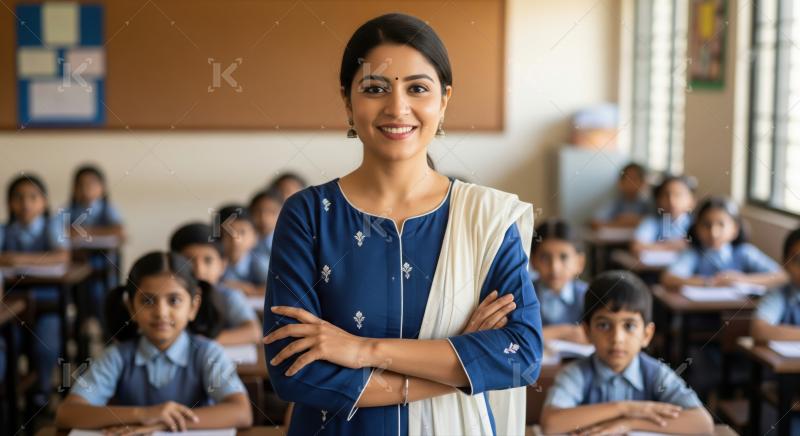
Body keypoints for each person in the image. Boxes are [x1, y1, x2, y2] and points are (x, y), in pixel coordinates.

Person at [262, 13, 542, 436]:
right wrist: (459, 365)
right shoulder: (307, 214)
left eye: (418, 88)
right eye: (375, 89)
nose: (397, 108)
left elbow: (520, 355)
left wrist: (361, 350)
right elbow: (295, 373)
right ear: (347, 100)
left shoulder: (486, 217)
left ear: (444, 100)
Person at [55, 252, 252, 432]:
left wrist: (160, 423)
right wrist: (144, 414)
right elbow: (68, 413)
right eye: (148, 301)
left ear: (193, 306)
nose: (161, 313)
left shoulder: (208, 353)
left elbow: (241, 412)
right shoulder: (117, 356)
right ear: (131, 307)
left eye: (174, 300)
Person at [540, 270, 714, 434]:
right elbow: (551, 424)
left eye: (629, 326)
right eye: (604, 325)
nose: (617, 338)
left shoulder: (656, 373)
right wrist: (626, 408)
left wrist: (628, 423)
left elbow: (702, 423)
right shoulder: (576, 373)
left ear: (646, 334)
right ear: (587, 332)